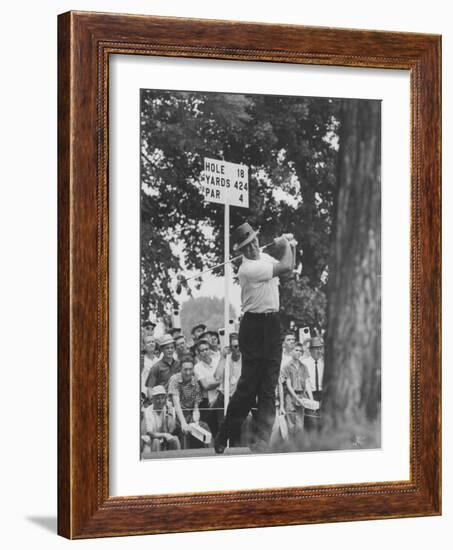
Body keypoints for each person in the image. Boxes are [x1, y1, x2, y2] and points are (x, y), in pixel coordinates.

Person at [215, 222, 295, 453]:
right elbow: (286, 265)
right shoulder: (247, 269)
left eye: (254, 242)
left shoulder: (267, 258)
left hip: (272, 324)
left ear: (258, 240)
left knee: (269, 385)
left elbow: (288, 266)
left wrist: (292, 245)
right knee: (248, 388)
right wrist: (286, 244)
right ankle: (224, 434)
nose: (252, 248)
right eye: (246, 247)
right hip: (252, 326)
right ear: (241, 251)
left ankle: (262, 439)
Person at [168, 355, 211, 449]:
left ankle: (209, 453)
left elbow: (196, 407)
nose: (188, 372)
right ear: (180, 369)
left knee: (203, 427)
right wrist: (183, 423)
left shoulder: (195, 381)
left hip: (189, 414)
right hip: (174, 414)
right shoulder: (174, 379)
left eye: (190, 369)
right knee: (184, 430)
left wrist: (196, 422)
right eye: (185, 369)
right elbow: (176, 404)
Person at [211, 334, 243, 446]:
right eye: (234, 346)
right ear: (230, 347)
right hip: (224, 397)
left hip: (238, 398)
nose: (237, 349)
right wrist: (223, 357)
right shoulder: (225, 358)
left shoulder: (245, 359)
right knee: (222, 426)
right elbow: (217, 377)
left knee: (238, 427)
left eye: (239, 346)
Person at [280, 342, 313, 439]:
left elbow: (307, 384)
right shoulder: (286, 366)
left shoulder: (304, 367)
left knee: (300, 425)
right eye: (296, 350)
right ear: (291, 352)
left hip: (301, 397)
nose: (298, 352)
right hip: (290, 397)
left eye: (300, 351)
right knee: (291, 426)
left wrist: (311, 400)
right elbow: (289, 386)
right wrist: (296, 399)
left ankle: (299, 448)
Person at [141, 385, 180, 454]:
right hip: (149, 440)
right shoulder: (147, 411)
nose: (160, 401)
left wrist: (168, 413)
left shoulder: (170, 409)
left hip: (163, 439)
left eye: (163, 398)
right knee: (156, 441)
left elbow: (170, 430)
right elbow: (150, 433)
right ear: (152, 400)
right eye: (157, 398)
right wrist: (165, 435)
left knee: (175, 439)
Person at [194, 339, 220, 436]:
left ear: (210, 350)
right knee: (214, 429)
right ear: (198, 353)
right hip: (207, 402)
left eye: (206, 349)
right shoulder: (197, 367)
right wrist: (220, 382)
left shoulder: (218, 361)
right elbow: (205, 386)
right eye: (202, 350)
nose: (205, 352)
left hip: (221, 398)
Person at [303, 336, 325, 432]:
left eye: (320, 348)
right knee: (311, 423)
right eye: (316, 348)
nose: (319, 351)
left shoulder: (324, 363)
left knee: (322, 422)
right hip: (309, 394)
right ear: (311, 350)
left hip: (322, 395)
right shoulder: (304, 363)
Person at [140, 334, 159, 399]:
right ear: (144, 346)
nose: (151, 344)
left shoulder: (158, 361)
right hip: (144, 395)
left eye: (153, 342)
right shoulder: (141, 361)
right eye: (148, 342)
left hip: (158, 395)